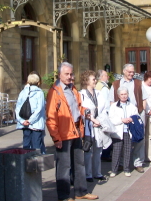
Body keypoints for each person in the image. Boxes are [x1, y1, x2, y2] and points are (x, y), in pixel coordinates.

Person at [46, 62, 98, 201]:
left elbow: (77, 108)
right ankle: (64, 196)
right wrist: (56, 138)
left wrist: (84, 112)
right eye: (66, 74)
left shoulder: (73, 89)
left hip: (76, 131)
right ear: (59, 75)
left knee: (79, 164)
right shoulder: (55, 92)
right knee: (64, 166)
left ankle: (81, 192)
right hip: (63, 134)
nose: (70, 77)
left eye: (71, 74)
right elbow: (51, 117)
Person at [108, 64, 147, 173]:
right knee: (121, 139)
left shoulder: (138, 83)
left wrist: (141, 111)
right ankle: (121, 163)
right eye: (129, 72)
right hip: (121, 115)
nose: (132, 74)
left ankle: (138, 163)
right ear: (124, 71)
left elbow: (144, 98)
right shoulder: (116, 84)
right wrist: (115, 114)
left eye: (133, 72)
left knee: (139, 139)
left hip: (135, 113)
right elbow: (111, 100)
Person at [80, 70, 108, 182]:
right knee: (88, 149)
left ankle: (98, 172)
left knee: (98, 149)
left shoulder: (99, 93)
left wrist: (100, 120)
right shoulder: (81, 94)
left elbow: (105, 108)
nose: (95, 81)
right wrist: (92, 119)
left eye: (95, 79)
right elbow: (82, 110)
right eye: (93, 79)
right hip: (88, 125)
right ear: (86, 81)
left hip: (99, 124)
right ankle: (88, 174)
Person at [109, 86, 138, 178]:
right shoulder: (114, 106)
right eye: (122, 94)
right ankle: (114, 170)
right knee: (116, 151)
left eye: (125, 94)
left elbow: (136, 117)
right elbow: (111, 119)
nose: (124, 96)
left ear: (128, 95)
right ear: (118, 95)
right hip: (118, 132)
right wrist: (121, 120)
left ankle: (127, 169)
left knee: (127, 150)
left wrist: (131, 119)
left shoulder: (132, 106)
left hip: (128, 131)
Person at [15, 73, 46, 153]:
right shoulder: (39, 93)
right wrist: (31, 120)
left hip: (24, 124)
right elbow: (39, 109)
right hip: (36, 124)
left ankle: (25, 163)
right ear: (38, 82)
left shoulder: (22, 92)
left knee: (26, 145)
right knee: (36, 147)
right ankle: (36, 164)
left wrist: (22, 121)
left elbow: (18, 108)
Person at [95, 70, 112, 162]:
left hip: (98, 113)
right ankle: (105, 154)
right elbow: (106, 101)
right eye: (106, 75)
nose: (107, 77)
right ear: (101, 77)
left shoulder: (97, 85)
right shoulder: (104, 87)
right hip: (105, 114)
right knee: (106, 133)